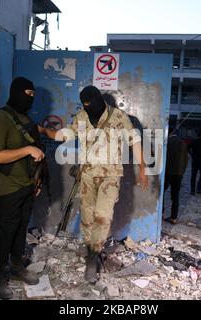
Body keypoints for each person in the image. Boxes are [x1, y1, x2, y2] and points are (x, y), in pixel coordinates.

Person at [56, 86, 149, 284]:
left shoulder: (118, 117)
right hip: (87, 175)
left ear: (99, 100)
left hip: (110, 177)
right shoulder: (82, 116)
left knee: (103, 217)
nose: (89, 107)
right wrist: (45, 131)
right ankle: (91, 247)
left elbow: (134, 141)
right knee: (87, 217)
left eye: (91, 103)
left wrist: (142, 168)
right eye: (86, 105)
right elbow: (68, 135)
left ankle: (93, 257)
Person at [0, 77, 57, 300]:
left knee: (21, 228)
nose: (30, 98)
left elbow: (41, 139)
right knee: (6, 231)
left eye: (33, 95)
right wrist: (27, 150)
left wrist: (35, 181)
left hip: (25, 185)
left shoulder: (24, 119)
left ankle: (16, 268)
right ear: (16, 92)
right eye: (27, 93)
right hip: (5, 188)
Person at [163, 127, 188, 225]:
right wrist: (182, 171)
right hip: (178, 173)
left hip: (167, 172)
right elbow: (186, 160)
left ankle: (161, 213)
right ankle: (174, 217)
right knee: (175, 196)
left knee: (162, 193)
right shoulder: (183, 143)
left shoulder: (167, 142)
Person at [188, 130, 201, 195]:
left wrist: (192, 154)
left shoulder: (198, 141)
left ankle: (193, 190)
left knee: (194, 176)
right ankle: (198, 188)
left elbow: (188, 148)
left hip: (196, 160)